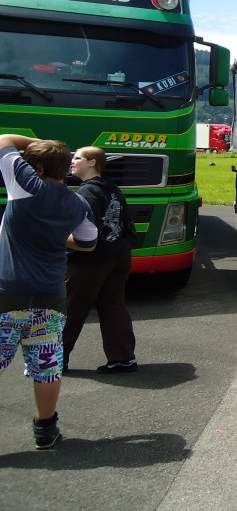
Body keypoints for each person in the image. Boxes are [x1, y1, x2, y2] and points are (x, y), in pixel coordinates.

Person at [0, 134, 97, 449]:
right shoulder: (78, 203)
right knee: (46, 366)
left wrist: (39, 141)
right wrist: (58, 236)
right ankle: (45, 429)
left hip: (7, 293)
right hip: (51, 297)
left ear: (39, 168)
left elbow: (3, 139)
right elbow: (88, 243)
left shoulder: (25, 185)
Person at [65, 146, 138, 374]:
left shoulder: (86, 193)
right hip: (119, 254)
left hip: (91, 260)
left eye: (77, 158)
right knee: (113, 305)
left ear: (92, 163)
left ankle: (54, 360)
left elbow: (84, 233)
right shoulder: (112, 188)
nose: (72, 161)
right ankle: (123, 358)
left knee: (71, 308)